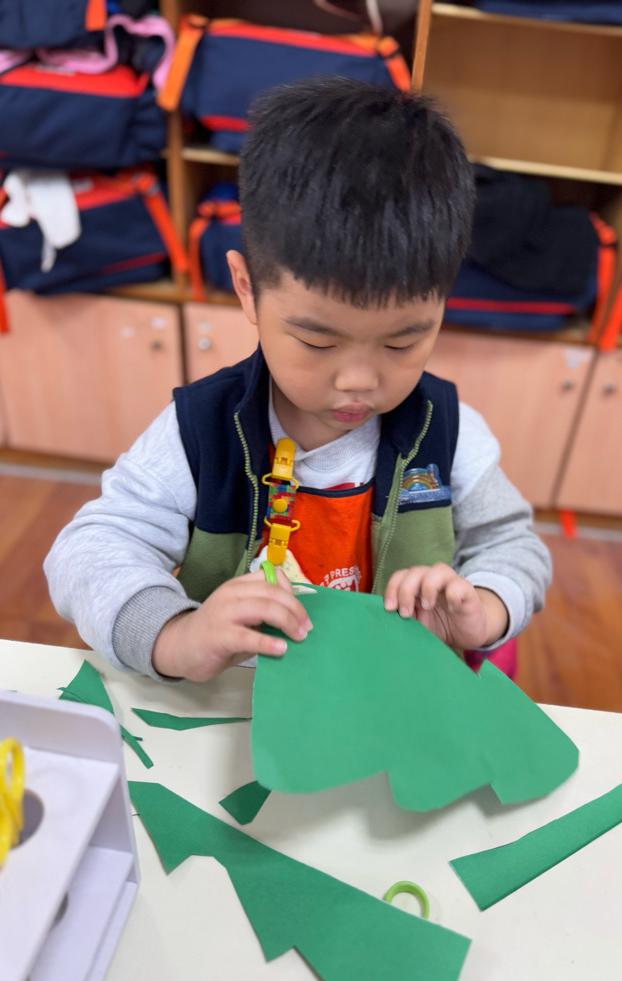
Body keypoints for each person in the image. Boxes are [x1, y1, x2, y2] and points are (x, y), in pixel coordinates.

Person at [45, 77, 552, 683]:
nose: (358, 380)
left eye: (402, 342)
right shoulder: (201, 432)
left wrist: (486, 608)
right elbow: (90, 550)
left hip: (390, 698)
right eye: (318, 341)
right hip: (243, 707)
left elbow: (514, 547)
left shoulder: (447, 432)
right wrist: (176, 634)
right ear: (247, 289)